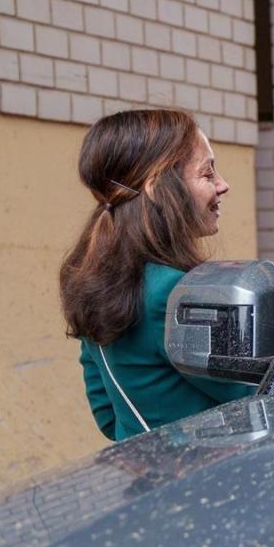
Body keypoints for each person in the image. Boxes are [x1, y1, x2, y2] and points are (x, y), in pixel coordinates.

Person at [60, 108, 250, 441]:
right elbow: (256, 397)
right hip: (210, 480)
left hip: (146, 480)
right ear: (157, 187)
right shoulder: (175, 293)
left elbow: (107, 414)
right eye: (207, 174)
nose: (223, 185)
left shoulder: (96, 283)